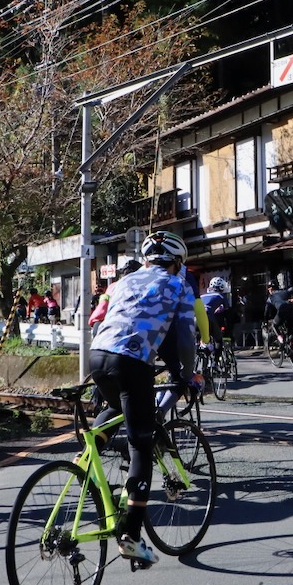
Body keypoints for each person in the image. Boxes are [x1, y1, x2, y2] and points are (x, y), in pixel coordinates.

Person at [89, 232, 198, 566]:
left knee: (113, 407)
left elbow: (110, 321)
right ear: (177, 262)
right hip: (132, 363)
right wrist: (186, 374)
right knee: (141, 445)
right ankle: (132, 537)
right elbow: (183, 336)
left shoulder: (123, 281)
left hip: (98, 357)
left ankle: (90, 467)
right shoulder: (178, 285)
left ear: (148, 258)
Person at [88, 259, 141, 334]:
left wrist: (94, 322)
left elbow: (101, 310)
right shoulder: (146, 287)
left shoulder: (114, 286)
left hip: (113, 328)